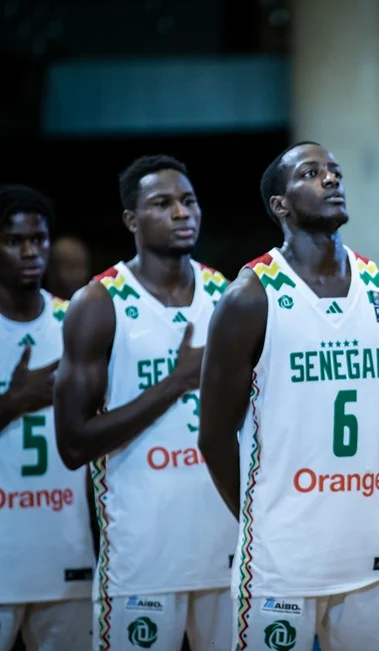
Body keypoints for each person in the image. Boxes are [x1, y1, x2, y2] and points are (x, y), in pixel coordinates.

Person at [197, 141, 379, 651]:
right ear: (281, 205)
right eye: (311, 173)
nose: (331, 179)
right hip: (281, 560)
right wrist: (258, 519)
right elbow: (214, 437)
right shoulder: (250, 296)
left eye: (334, 171)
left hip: (370, 552)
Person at [52, 156, 235, 651]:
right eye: (163, 203)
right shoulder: (98, 303)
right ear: (132, 220)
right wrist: (176, 382)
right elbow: (73, 444)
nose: (181, 212)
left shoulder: (227, 295)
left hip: (227, 551)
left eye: (189, 201)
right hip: (141, 559)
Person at [0, 185, 93, 651]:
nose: (29, 252)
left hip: (66, 550)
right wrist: (14, 401)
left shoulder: (76, 321)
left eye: (38, 239)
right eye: (14, 241)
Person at [46, 235, 91, 300]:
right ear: (53, 271)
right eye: (71, 268)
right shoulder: (46, 304)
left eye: (81, 267)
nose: (78, 274)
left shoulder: (94, 303)